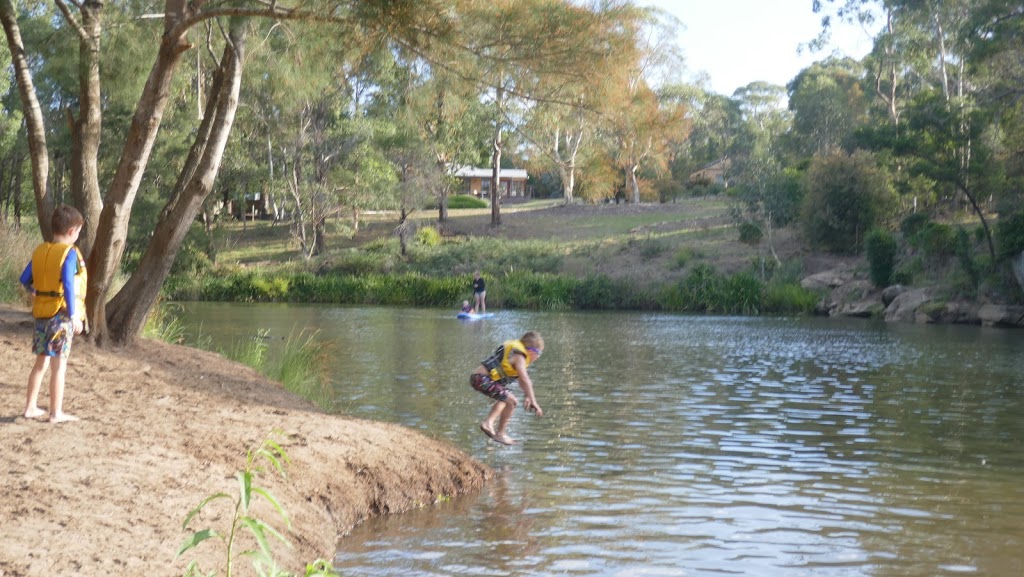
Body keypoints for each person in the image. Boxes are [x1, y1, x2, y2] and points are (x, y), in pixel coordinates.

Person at [20, 205, 88, 423]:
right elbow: (68, 284)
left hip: (41, 315)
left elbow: (24, 278)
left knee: (41, 363)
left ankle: (30, 407)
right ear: (71, 232)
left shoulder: (41, 250)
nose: (77, 237)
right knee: (59, 366)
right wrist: (74, 315)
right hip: (60, 316)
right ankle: (56, 413)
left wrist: (35, 291)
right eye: (78, 232)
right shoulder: (68, 254)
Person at [470, 331, 544, 445]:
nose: (538, 357)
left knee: (506, 397)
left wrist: (527, 395)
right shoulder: (519, 356)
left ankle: (489, 422)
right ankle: (499, 433)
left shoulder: (518, 355)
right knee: (512, 401)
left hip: (480, 379)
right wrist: (534, 401)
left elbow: (521, 381)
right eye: (539, 353)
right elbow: (525, 379)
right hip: (481, 379)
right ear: (531, 351)